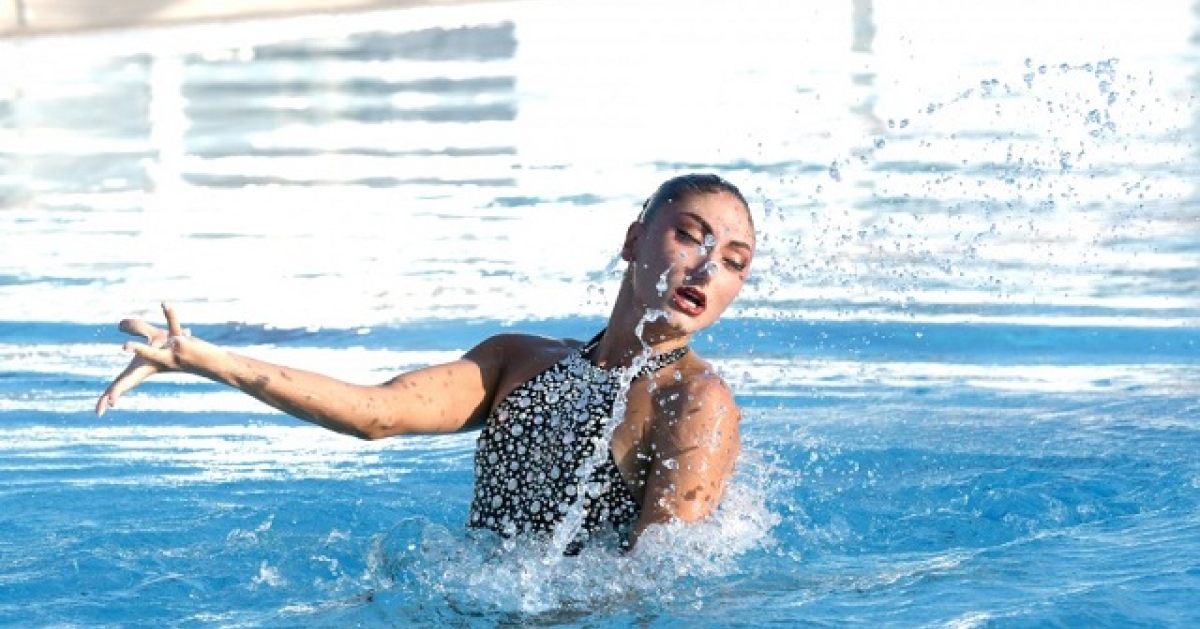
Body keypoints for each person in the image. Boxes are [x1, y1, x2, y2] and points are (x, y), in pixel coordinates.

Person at [95, 173, 757, 553]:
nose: (707, 268)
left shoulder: (697, 403)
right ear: (633, 240)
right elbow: (377, 413)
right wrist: (208, 360)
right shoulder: (519, 360)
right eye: (689, 236)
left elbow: (657, 583)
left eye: (733, 262)